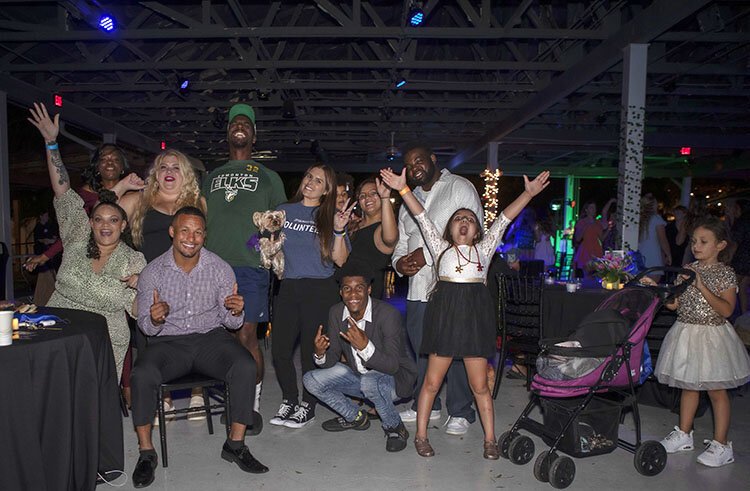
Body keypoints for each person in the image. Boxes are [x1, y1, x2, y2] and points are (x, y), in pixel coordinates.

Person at [381, 166, 550, 458]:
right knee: (431, 383)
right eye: (458, 218)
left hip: (474, 324)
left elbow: (505, 218)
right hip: (444, 322)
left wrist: (528, 193)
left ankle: (490, 440)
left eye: (470, 219)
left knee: (479, 385)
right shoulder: (439, 248)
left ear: (477, 231)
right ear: (448, 227)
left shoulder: (484, 250)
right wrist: (403, 189)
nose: (463, 221)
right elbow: (421, 216)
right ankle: (421, 436)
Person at [130, 207, 267, 487]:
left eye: (198, 232)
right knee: (141, 374)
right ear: (172, 232)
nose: (191, 238)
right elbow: (145, 326)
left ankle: (235, 444)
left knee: (244, 364)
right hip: (169, 342)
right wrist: (155, 318)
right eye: (184, 230)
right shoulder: (153, 272)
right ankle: (146, 453)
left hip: (210, 339)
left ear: (205, 235)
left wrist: (237, 311)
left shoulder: (219, 268)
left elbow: (230, 322)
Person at [27, 102, 146, 379]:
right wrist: (51, 143)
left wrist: (144, 289)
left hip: (106, 343)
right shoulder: (77, 236)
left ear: (123, 225)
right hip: (62, 331)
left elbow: (140, 314)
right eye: (99, 219)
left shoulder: (134, 259)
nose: (106, 225)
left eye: (113, 220)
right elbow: (62, 189)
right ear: (89, 222)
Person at [202, 103, 287, 421]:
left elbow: (279, 223)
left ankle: (249, 404)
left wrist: (254, 243)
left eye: (246, 123)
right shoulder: (210, 177)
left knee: (247, 336)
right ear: (227, 133)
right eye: (234, 122)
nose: (240, 126)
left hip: (250, 268)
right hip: (210, 268)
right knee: (218, 338)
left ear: (254, 134)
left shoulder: (268, 177)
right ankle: (228, 392)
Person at [390, 144, 482, 436]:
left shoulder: (459, 187)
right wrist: (398, 263)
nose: (414, 166)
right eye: (408, 163)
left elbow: (472, 235)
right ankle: (427, 405)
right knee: (421, 349)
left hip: (452, 287)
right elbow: (403, 240)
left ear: (432, 160)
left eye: (418, 160)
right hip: (417, 287)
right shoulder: (409, 198)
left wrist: (426, 256)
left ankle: (461, 411)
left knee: (455, 349)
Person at [653, 217, 750, 467]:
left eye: (704, 242)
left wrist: (700, 284)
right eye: (694, 241)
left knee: (716, 390)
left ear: (720, 245)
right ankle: (684, 434)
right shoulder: (686, 270)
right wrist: (660, 292)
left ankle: (721, 445)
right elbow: (675, 306)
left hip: (713, 337)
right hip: (686, 333)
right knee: (689, 386)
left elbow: (727, 310)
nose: (696, 246)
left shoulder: (725, 273)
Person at [120, 148, 209, 419]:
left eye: (175, 167)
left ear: (185, 175)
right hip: (151, 281)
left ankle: (197, 392)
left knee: (195, 334)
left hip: (189, 279)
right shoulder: (138, 200)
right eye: (163, 167)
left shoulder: (199, 201)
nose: (169, 171)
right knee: (152, 342)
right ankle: (164, 396)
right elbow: (104, 218)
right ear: (155, 175)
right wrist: (123, 185)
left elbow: (205, 243)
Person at [270, 164, 353, 429]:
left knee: (310, 351)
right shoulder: (284, 210)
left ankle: (309, 405)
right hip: (288, 287)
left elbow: (341, 260)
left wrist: (339, 230)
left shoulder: (330, 217)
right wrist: (264, 241)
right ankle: (289, 400)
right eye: (308, 176)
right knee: (280, 350)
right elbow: (256, 242)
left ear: (327, 189)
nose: (310, 182)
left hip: (319, 290)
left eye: (319, 181)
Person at [302, 261, 416, 452]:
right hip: (361, 377)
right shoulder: (337, 312)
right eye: (347, 289)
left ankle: (394, 427)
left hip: (394, 380)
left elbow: (393, 365)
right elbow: (332, 358)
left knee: (370, 382)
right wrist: (320, 354)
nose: (353, 295)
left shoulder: (388, 315)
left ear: (369, 289)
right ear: (341, 292)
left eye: (359, 288)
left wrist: (365, 347)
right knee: (310, 379)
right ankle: (355, 417)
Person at [23, 141, 142, 272]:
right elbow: (74, 231)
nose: (110, 163)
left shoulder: (134, 195)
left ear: (122, 167)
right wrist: (45, 256)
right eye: (104, 159)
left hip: (125, 260)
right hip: (91, 260)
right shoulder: (85, 195)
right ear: (96, 166)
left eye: (115, 159)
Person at [345, 176, 398, 299]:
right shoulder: (352, 226)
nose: (367, 198)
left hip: (365, 297)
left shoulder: (383, 229)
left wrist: (385, 198)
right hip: (343, 289)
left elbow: (390, 239)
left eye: (374, 193)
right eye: (362, 196)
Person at [572, 198, 615, 277]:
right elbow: (577, 238)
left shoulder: (597, 222)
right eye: (591, 208)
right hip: (585, 250)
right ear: (586, 210)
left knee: (595, 274)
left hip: (596, 250)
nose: (593, 210)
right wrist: (585, 226)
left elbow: (601, 238)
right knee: (586, 274)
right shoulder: (581, 222)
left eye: (594, 208)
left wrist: (608, 230)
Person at [637, 194, 671, 278]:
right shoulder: (656, 219)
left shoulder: (639, 219)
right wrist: (668, 254)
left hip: (640, 255)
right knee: (653, 284)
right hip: (653, 255)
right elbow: (662, 239)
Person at [31, 210, 58, 305]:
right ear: (41, 216)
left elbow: (53, 238)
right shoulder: (38, 227)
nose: (47, 217)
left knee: (50, 277)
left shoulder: (49, 226)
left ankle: (47, 299)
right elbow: (42, 240)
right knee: (45, 278)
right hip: (41, 255)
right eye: (45, 216)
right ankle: (41, 300)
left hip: (49, 256)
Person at [730, 200, 750, 314]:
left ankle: (724, 312)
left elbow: (735, 243)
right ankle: (744, 314)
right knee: (743, 288)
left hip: (740, 259)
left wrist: (728, 259)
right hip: (748, 260)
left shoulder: (741, 222)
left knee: (730, 287)